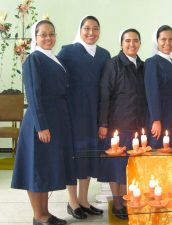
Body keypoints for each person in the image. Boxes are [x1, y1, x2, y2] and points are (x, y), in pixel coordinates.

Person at [11, 19, 75, 225]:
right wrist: (41, 126)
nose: (48, 38)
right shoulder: (33, 60)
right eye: (43, 34)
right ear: (35, 37)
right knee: (35, 169)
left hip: (56, 118)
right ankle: (38, 216)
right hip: (40, 122)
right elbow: (33, 95)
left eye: (51, 34)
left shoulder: (54, 59)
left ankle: (45, 213)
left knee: (44, 168)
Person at [57, 16, 110, 219]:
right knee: (74, 156)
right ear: (79, 29)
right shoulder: (67, 52)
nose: (91, 32)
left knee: (88, 155)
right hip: (74, 113)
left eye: (95, 28)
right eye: (87, 28)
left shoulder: (104, 54)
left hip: (95, 113)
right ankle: (72, 202)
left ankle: (84, 200)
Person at [99, 28, 146, 220]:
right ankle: (118, 203)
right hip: (117, 125)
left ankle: (128, 200)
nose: (131, 44)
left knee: (131, 167)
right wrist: (103, 123)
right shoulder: (113, 64)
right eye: (127, 41)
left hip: (137, 125)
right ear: (121, 43)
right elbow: (104, 96)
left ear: (140, 43)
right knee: (116, 167)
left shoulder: (143, 66)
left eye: (135, 41)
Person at [144, 25, 172, 149]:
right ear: (157, 41)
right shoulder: (152, 62)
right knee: (160, 150)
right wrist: (156, 119)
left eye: (171, 39)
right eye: (163, 39)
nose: (167, 43)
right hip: (161, 114)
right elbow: (152, 92)